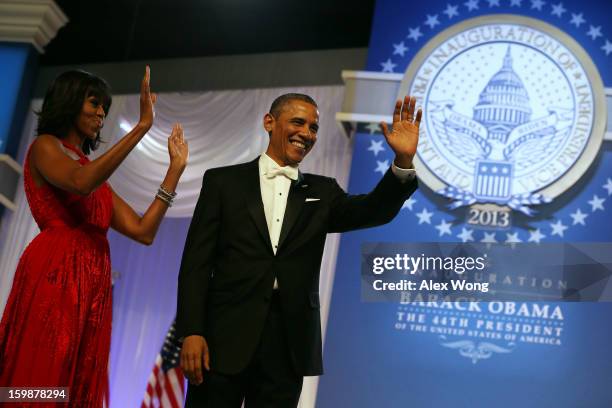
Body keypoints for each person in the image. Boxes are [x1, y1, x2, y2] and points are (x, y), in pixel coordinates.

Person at [177, 92, 420, 407]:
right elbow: (196, 262)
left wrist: (402, 163)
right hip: (221, 338)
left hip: (287, 344)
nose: (307, 133)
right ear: (269, 122)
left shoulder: (322, 192)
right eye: (298, 122)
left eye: (314, 128)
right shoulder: (223, 182)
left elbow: (374, 211)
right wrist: (192, 331)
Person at [0, 67, 188, 406]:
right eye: (94, 103)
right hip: (56, 271)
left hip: (92, 280)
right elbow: (79, 182)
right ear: (70, 102)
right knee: (46, 369)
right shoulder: (45, 147)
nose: (101, 113)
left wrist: (173, 173)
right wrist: (142, 127)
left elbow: (143, 231)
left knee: (76, 378)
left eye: (104, 106)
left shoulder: (90, 169)